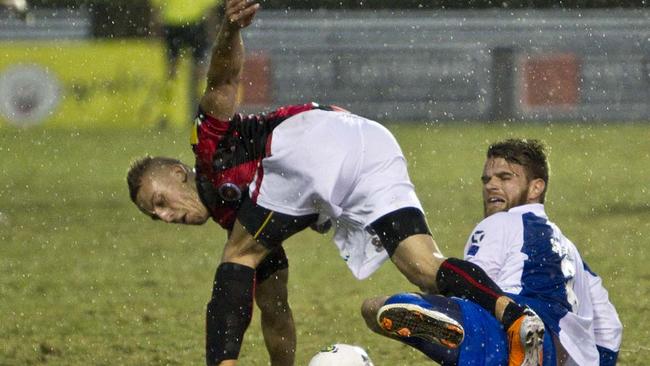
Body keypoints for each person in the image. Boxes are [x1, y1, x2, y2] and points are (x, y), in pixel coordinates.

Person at [126, 1, 545, 365]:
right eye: (153, 214)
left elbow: (222, 81)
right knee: (424, 267)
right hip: (370, 143)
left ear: (180, 174)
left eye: (159, 200)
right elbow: (275, 310)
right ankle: (514, 317)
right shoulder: (252, 224)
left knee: (235, 260)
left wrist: (231, 29)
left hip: (307, 143)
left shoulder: (209, 149)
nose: (165, 216)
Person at [361, 139, 623, 365]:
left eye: (505, 178)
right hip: (568, 355)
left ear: (536, 187)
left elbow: (474, 287)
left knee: (378, 308)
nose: (491, 186)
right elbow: (609, 328)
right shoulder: (571, 251)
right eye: (487, 179)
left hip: (512, 332)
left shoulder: (501, 222)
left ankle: (469, 335)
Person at [149, 0, 222, 124]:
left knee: (173, 72)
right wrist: (213, 33)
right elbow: (210, 11)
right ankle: (202, 113)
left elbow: (157, 9)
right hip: (192, 25)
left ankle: (166, 114)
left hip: (177, 25)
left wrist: (155, 29)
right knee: (197, 72)